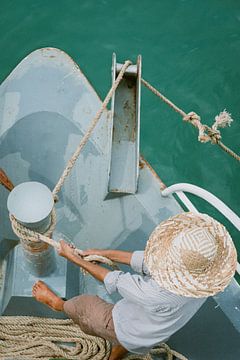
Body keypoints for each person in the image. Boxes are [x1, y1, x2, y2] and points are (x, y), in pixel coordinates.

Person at [32, 212, 237, 360]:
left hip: (125, 326)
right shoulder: (203, 280)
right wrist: (101, 253)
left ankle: (58, 304)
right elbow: (143, 261)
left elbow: (114, 279)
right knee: (134, 342)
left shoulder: (156, 294)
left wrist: (73, 258)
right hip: (155, 332)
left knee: (85, 304)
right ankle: (120, 351)